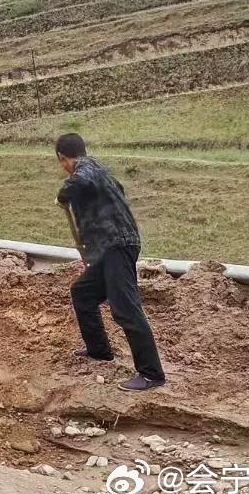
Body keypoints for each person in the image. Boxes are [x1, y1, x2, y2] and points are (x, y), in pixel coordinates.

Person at [55, 133, 166, 391]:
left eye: (62, 162)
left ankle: (151, 374)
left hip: (118, 245)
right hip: (107, 249)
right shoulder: (103, 177)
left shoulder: (87, 167)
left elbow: (79, 182)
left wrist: (63, 194)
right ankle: (99, 350)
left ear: (63, 159)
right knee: (82, 292)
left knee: (125, 308)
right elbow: (111, 196)